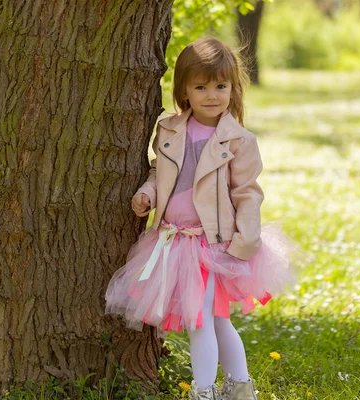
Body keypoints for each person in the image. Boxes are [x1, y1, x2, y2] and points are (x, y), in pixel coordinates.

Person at [105, 37, 307, 400]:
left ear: (233, 88)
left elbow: (247, 192)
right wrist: (148, 195)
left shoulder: (239, 141)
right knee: (215, 320)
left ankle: (203, 391)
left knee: (202, 321)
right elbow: (160, 173)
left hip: (213, 244)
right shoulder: (169, 130)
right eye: (201, 86)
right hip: (173, 240)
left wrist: (244, 242)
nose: (211, 95)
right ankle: (240, 387)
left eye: (220, 86)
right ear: (184, 89)